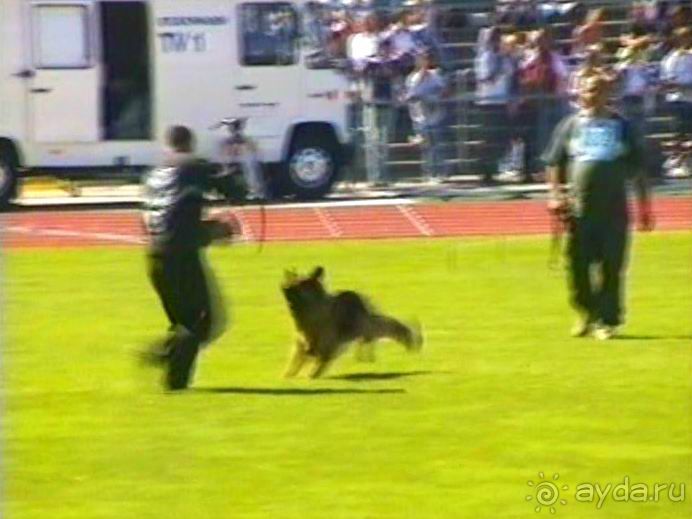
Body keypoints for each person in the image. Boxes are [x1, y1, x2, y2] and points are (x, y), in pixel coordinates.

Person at [544, 75, 654, 340]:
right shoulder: (570, 125)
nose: (589, 95)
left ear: (608, 93)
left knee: (611, 266)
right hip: (579, 210)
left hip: (614, 209)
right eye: (585, 90)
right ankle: (586, 312)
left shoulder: (623, 126)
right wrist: (555, 194)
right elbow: (554, 162)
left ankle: (608, 320)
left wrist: (644, 207)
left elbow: (639, 170)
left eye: (595, 90)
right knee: (577, 265)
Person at [141, 125, 246, 390]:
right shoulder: (193, 167)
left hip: (154, 256)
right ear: (190, 144)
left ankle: (174, 382)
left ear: (168, 145)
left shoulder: (154, 176)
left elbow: (170, 217)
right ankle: (163, 357)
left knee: (184, 323)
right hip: (181, 257)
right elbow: (232, 188)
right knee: (204, 321)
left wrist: (207, 229)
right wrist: (235, 173)